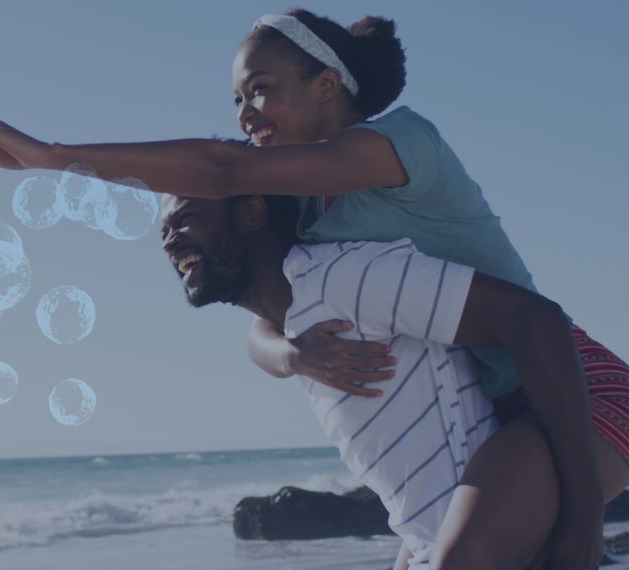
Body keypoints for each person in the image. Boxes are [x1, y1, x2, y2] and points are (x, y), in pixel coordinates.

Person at [0, 12, 629, 568]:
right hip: (492, 415)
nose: (245, 114)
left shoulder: (401, 146)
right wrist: (294, 354)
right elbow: (267, 321)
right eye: (237, 99)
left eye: (260, 89)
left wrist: (52, 156)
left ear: (327, 86)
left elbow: (220, 172)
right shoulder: (311, 220)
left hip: (575, 391)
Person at [159, 192, 592, 569]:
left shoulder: (340, 277)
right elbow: (259, 344)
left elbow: (534, 318)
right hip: (432, 545)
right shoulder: (294, 324)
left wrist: (583, 522)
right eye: (163, 231)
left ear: (252, 213)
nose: (169, 241)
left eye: (185, 219)